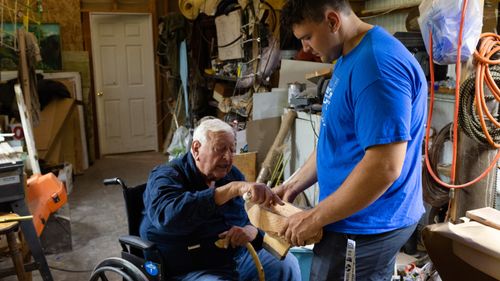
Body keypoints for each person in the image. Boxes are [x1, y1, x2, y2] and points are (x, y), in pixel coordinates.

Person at [276, 0, 427, 280]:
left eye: (308, 37)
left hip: (367, 226)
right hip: (348, 217)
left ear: (333, 21)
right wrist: (292, 185)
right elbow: (338, 141)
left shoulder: (376, 66)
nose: (305, 47)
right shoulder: (349, 56)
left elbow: (385, 166)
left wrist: (315, 216)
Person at [139, 118, 300, 281]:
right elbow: (169, 216)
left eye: (232, 150)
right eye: (220, 149)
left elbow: (246, 217)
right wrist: (230, 190)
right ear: (196, 149)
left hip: (233, 259)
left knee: (287, 265)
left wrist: (249, 231)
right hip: (189, 266)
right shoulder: (166, 175)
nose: (228, 157)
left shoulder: (231, 175)